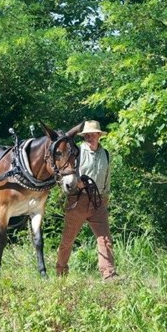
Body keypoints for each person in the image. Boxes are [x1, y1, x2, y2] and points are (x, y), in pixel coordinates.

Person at [56, 120, 119, 280]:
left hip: (98, 202)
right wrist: (78, 182)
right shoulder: (77, 152)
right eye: (86, 135)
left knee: (105, 239)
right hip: (78, 200)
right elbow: (67, 175)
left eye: (92, 134)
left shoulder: (106, 154)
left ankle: (109, 275)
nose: (89, 137)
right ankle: (61, 272)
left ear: (99, 135)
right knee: (68, 240)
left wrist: (105, 197)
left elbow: (107, 177)